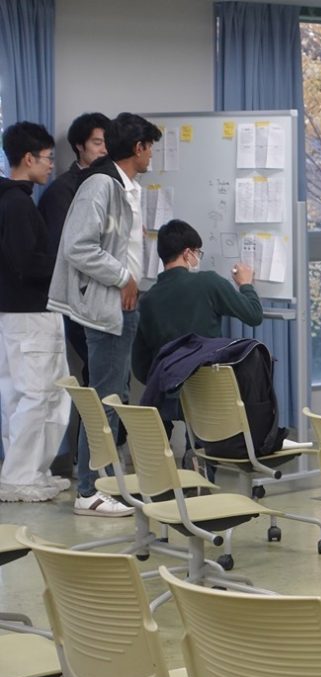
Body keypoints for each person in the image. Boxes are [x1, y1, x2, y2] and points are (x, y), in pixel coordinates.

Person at [48, 112, 162, 517]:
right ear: (138, 147)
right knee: (105, 401)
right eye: (150, 148)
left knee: (113, 398)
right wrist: (123, 278)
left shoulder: (126, 187)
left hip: (123, 306)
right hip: (107, 307)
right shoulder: (101, 185)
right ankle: (89, 490)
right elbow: (77, 246)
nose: (152, 156)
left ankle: (105, 485)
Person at [0, 122, 72, 502]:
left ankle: (28, 472)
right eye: (47, 158)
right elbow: (27, 263)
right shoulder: (18, 204)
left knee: (19, 396)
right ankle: (21, 477)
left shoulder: (10, 200)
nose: (50, 165)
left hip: (12, 314)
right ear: (28, 158)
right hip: (31, 313)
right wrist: (65, 264)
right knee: (41, 395)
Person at [132, 219, 263, 384]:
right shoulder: (208, 283)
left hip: (168, 392)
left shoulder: (147, 301)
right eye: (197, 253)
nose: (197, 259)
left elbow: (140, 367)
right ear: (187, 253)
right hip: (209, 390)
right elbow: (254, 315)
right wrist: (246, 285)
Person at [38, 112, 110, 385]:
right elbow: (64, 249)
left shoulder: (108, 184)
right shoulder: (62, 191)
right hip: (78, 297)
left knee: (108, 371)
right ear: (79, 146)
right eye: (97, 143)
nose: (104, 150)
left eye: (107, 143)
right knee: (101, 369)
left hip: (105, 294)